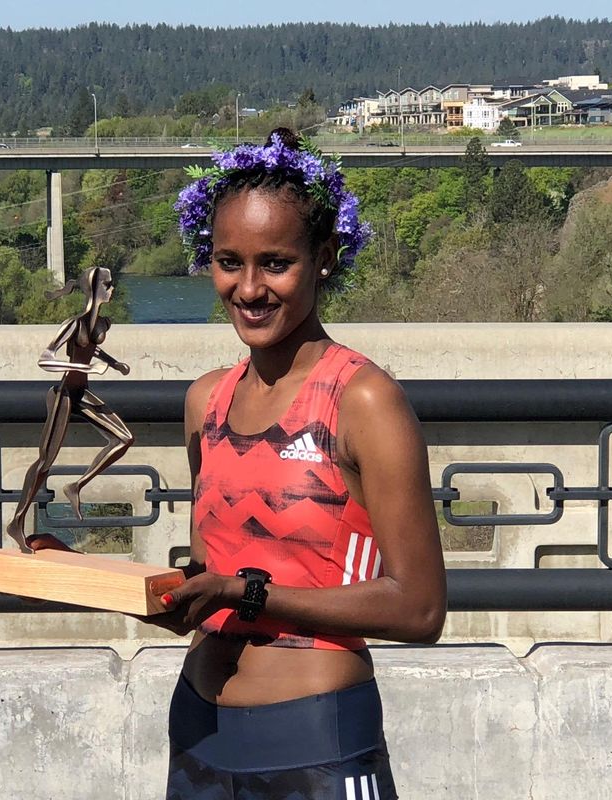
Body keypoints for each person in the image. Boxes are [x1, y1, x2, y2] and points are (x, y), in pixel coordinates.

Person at [151, 128, 448, 799]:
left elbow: (420, 609)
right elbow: (209, 571)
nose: (249, 289)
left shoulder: (363, 399)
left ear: (325, 256)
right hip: (197, 730)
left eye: (275, 263)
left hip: (316, 741)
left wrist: (243, 593)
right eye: (228, 261)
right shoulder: (207, 400)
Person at [6, 266, 133, 551]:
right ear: (94, 288)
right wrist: (82, 367)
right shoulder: (73, 323)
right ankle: (16, 522)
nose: (112, 290)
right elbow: (45, 359)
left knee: (124, 439)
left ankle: (76, 486)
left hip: (81, 392)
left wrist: (113, 363)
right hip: (63, 393)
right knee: (44, 463)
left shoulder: (102, 324)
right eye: (108, 285)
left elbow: (92, 349)